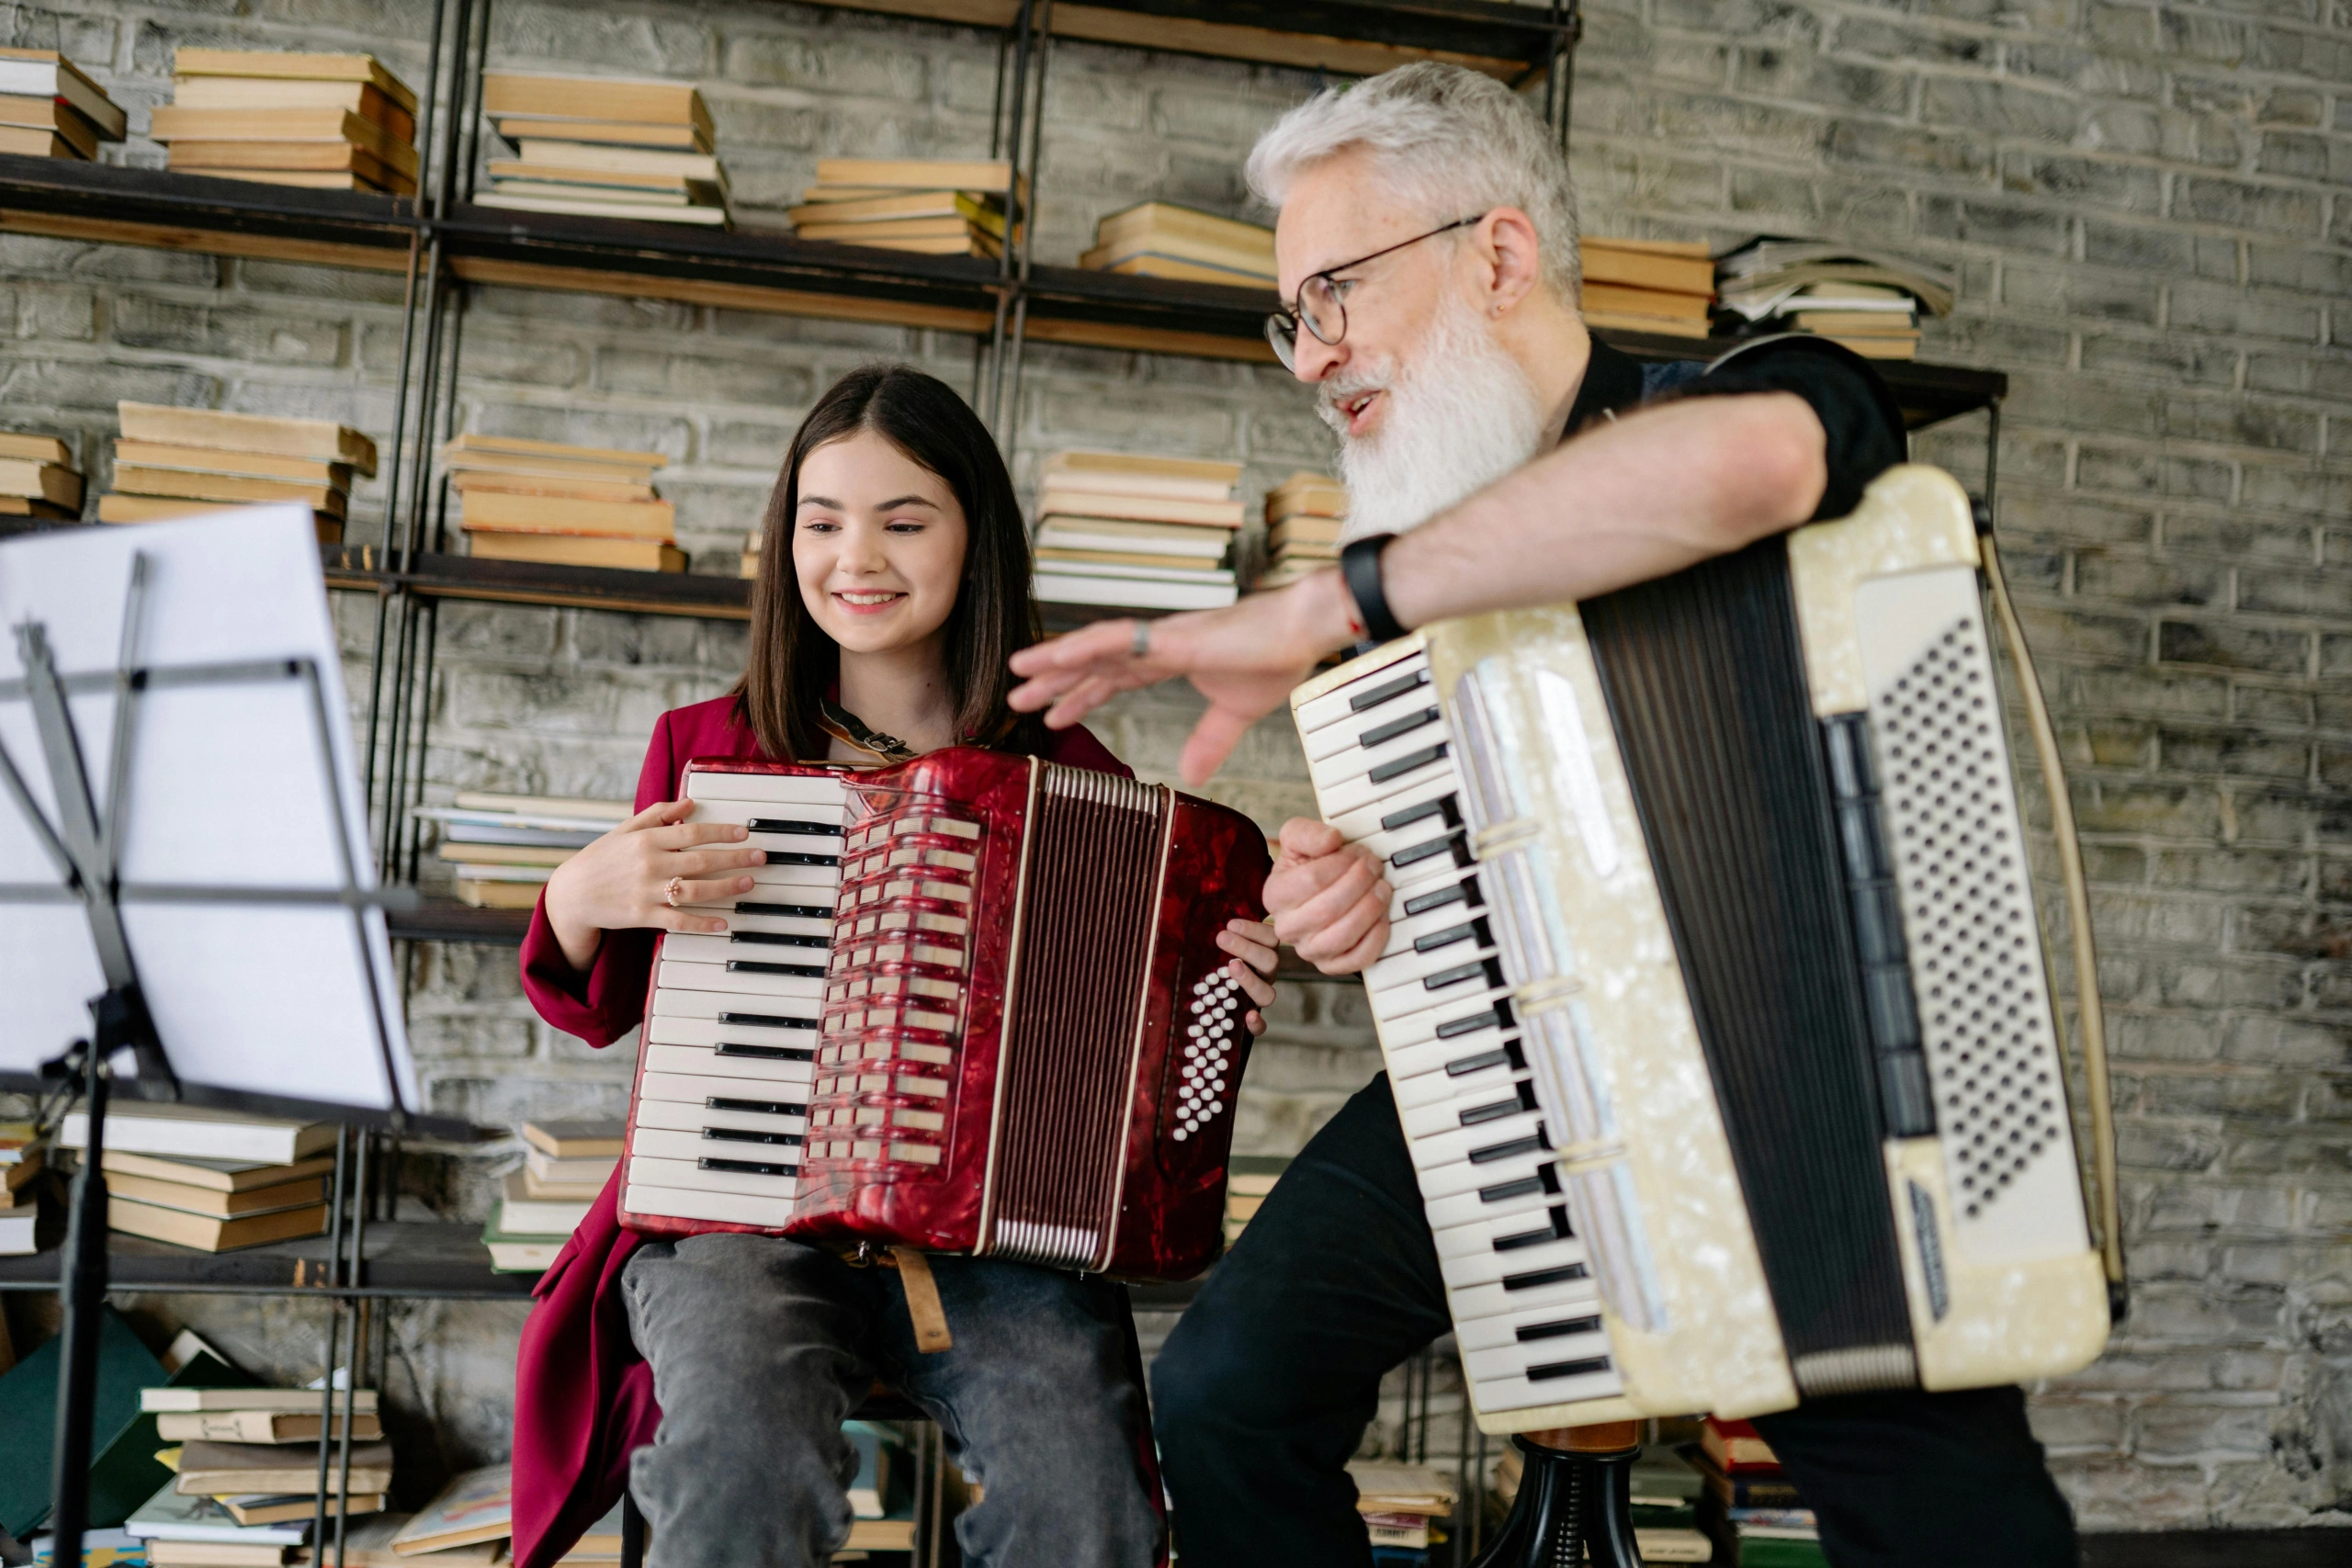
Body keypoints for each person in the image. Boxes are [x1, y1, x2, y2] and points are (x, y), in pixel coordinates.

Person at [1004, 64, 2075, 1568]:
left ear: (1497, 254)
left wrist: (1333, 596)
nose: (1311, 358)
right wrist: (1361, 893)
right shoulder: (1412, 529)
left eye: (1335, 294)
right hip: (1514, 1061)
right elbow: (1480, 849)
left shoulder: (1744, 393)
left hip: (1797, 1064)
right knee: (1225, 1394)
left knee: (1946, 1514)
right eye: (1289, 316)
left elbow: (1758, 467)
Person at [506, 365, 1281, 1568]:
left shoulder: (1067, 768)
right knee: (737, 1449)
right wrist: (579, 895)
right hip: (741, 1217)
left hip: (997, 1243)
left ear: (976, 537)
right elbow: (592, 1005)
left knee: (1084, 1489)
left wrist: (1213, 996)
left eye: (904, 519)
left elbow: (1142, 1015)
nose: (856, 555)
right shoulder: (711, 745)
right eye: (823, 522)